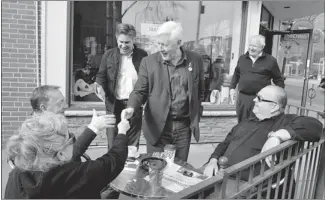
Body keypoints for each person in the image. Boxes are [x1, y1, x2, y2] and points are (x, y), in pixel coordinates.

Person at [202, 85, 322, 198]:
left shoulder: (284, 121)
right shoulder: (247, 122)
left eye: (260, 98)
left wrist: (278, 136)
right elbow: (225, 143)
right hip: (218, 173)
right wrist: (213, 160)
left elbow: (315, 126)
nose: (254, 100)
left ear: (274, 106)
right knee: (186, 187)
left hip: (246, 186)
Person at [121, 21, 205, 162]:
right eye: (159, 44)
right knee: (156, 170)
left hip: (184, 127)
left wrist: (197, 113)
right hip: (158, 127)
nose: (161, 48)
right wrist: (131, 108)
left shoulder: (196, 60)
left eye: (165, 45)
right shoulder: (149, 62)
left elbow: (201, 90)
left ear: (179, 43)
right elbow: (139, 91)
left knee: (179, 169)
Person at [5, 111, 130, 199]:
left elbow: (71, 153)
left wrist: (94, 127)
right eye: (70, 138)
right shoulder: (74, 175)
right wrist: (123, 131)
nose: (73, 141)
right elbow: (114, 160)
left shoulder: (18, 172)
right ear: (60, 154)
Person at [96, 23, 148, 150]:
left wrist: (143, 101)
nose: (123, 46)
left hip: (133, 105)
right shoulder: (108, 55)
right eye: (121, 42)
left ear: (133, 40)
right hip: (113, 105)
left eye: (127, 42)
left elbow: (148, 81)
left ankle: (130, 167)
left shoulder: (143, 56)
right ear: (116, 38)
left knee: (132, 144)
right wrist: (99, 87)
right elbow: (100, 76)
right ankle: (113, 169)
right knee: (113, 143)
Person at [230, 35, 285, 123]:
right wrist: (232, 88)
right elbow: (236, 74)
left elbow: (278, 80)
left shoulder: (271, 61)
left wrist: (279, 97)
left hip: (261, 100)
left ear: (262, 47)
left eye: (254, 46)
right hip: (243, 98)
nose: (251, 48)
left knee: (258, 124)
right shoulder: (242, 58)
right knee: (241, 124)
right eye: (250, 45)